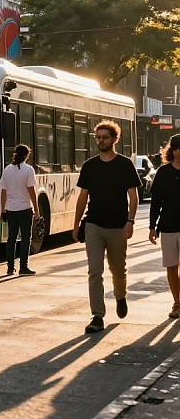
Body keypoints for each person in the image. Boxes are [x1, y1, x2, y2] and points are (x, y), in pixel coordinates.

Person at [73, 121, 141, 334]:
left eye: (105, 137)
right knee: (95, 271)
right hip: (93, 224)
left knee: (118, 269)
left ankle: (120, 296)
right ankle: (97, 316)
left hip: (118, 226)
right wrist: (75, 225)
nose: (101, 140)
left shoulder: (124, 165)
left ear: (114, 139)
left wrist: (130, 222)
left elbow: (133, 196)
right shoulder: (90, 166)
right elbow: (82, 197)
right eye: (98, 137)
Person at [149, 134, 180, 319]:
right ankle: (177, 303)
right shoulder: (163, 172)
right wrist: (152, 227)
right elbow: (155, 203)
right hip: (168, 227)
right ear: (173, 150)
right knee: (171, 266)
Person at [0, 144, 40, 276]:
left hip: (10, 210)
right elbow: (31, 191)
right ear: (27, 155)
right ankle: (23, 267)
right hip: (25, 209)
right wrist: (37, 209)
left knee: (11, 238)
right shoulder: (28, 170)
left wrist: (2, 210)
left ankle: (10, 268)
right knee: (26, 238)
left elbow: (3, 192)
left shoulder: (7, 170)